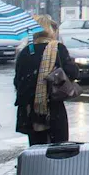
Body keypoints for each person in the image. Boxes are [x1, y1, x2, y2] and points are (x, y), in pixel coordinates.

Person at [14, 15, 76, 145]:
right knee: (58, 147)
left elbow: (17, 81)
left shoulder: (25, 51)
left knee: (37, 149)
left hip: (31, 110)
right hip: (54, 107)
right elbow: (72, 73)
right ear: (51, 30)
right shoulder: (58, 48)